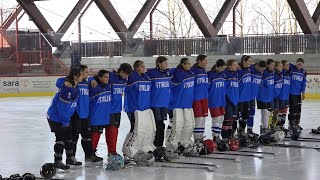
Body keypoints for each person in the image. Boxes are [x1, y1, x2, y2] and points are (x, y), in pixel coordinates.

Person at [56, 65, 102, 166]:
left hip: (86, 114)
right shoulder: (74, 83)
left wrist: (92, 79)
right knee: (74, 137)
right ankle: (71, 157)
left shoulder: (87, 82)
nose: (87, 74)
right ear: (78, 74)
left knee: (87, 136)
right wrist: (64, 82)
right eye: (85, 72)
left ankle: (89, 155)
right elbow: (59, 82)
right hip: (76, 114)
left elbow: (92, 78)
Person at [47, 67, 83, 170]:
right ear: (75, 76)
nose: (84, 76)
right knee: (61, 139)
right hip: (56, 117)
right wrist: (65, 121)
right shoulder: (67, 90)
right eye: (81, 74)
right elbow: (63, 108)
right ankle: (57, 161)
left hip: (64, 117)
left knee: (69, 137)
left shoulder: (73, 86)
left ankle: (70, 158)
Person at [122, 60, 155, 165]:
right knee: (134, 130)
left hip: (144, 109)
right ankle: (127, 152)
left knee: (141, 131)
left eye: (144, 66)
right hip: (133, 108)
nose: (143, 68)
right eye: (141, 66)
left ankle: (137, 149)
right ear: (136, 67)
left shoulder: (146, 77)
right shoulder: (131, 76)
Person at [166, 58, 195, 154]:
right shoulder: (178, 74)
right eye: (188, 64)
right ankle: (170, 145)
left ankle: (182, 143)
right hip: (176, 105)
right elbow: (169, 78)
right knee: (176, 126)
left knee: (188, 125)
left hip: (186, 104)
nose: (190, 65)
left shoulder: (190, 73)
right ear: (183, 64)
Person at [105, 63, 132, 157]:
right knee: (111, 130)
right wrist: (93, 80)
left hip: (117, 109)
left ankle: (112, 151)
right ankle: (111, 151)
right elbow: (96, 77)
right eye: (126, 74)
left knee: (115, 130)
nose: (127, 77)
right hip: (108, 109)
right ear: (121, 71)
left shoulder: (124, 80)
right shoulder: (110, 76)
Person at [146, 56, 171, 149]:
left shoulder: (168, 73)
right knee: (157, 125)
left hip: (164, 104)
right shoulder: (151, 73)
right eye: (165, 63)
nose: (167, 65)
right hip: (154, 103)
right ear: (159, 64)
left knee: (162, 124)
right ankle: (154, 144)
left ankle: (159, 145)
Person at [89, 70, 112, 160]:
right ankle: (91, 154)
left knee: (98, 134)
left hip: (103, 116)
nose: (107, 79)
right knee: (94, 135)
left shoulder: (109, 86)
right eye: (105, 77)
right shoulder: (93, 86)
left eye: (108, 77)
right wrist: (91, 79)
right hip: (95, 116)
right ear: (100, 78)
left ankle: (93, 153)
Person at [190, 55, 209, 142]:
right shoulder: (193, 71)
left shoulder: (204, 71)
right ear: (199, 61)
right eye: (205, 61)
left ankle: (200, 138)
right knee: (198, 119)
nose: (206, 62)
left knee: (203, 119)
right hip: (196, 98)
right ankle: (196, 139)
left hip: (204, 98)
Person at [207, 59, 226, 142]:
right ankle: (215, 137)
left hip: (222, 100)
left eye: (223, 68)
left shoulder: (223, 74)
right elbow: (207, 88)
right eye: (221, 68)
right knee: (216, 119)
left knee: (221, 119)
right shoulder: (210, 75)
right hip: (214, 100)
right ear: (217, 66)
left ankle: (218, 135)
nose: (222, 70)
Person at [247, 60, 267, 136]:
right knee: (244, 115)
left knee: (252, 114)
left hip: (253, 97)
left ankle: (249, 130)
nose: (262, 71)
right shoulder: (250, 70)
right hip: (245, 96)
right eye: (261, 69)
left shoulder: (260, 72)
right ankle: (240, 131)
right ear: (258, 66)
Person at [221, 59, 239, 141]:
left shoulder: (235, 75)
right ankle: (225, 136)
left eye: (236, 65)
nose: (236, 66)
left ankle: (230, 134)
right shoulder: (225, 74)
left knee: (232, 119)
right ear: (229, 66)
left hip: (235, 100)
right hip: (228, 99)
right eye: (234, 65)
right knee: (227, 119)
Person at [256, 59, 275, 134]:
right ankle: (265, 128)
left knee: (269, 113)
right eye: (272, 65)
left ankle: (266, 127)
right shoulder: (263, 72)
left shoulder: (272, 72)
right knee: (264, 113)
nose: (273, 66)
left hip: (269, 96)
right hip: (262, 96)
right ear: (268, 65)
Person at [288, 58, 307, 131]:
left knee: (298, 109)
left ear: (303, 65)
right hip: (291, 93)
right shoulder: (291, 68)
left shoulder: (303, 72)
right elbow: (286, 64)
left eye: (301, 65)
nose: (299, 66)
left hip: (298, 94)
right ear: (295, 63)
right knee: (293, 109)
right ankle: (291, 124)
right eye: (298, 64)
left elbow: (303, 83)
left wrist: (303, 93)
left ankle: (296, 123)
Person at [237, 55, 252, 137]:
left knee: (246, 115)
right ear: (244, 61)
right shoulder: (240, 72)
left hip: (247, 98)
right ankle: (237, 132)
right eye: (249, 61)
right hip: (240, 98)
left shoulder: (249, 71)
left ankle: (242, 130)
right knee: (239, 116)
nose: (251, 62)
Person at [278, 60, 291, 130]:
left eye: (288, 65)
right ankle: (278, 125)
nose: (288, 66)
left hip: (286, 96)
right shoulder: (281, 74)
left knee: (285, 111)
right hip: (281, 96)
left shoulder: (288, 74)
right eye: (286, 65)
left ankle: (282, 125)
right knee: (280, 112)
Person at [271, 61, 283, 130]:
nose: (281, 67)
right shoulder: (273, 75)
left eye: (282, 66)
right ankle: (268, 126)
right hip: (272, 97)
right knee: (271, 113)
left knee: (276, 112)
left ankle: (273, 125)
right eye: (280, 66)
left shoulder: (281, 75)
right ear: (275, 67)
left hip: (277, 97)